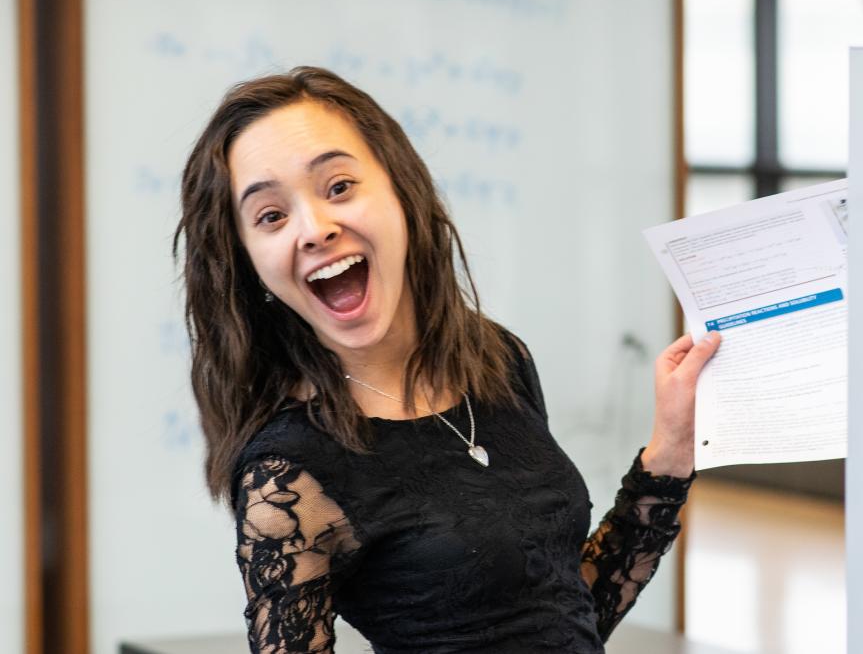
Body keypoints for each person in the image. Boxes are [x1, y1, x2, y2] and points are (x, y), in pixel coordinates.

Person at [174, 66, 722, 654]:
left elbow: (564, 616)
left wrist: (669, 452)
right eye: (271, 216)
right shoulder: (288, 473)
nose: (314, 229)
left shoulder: (496, 362)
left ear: (401, 191)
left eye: (338, 187)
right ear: (250, 262)